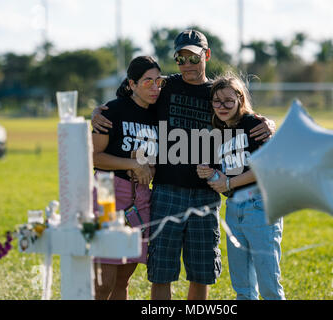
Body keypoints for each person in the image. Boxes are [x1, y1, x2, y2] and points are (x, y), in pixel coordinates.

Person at [92, 29, 276, 300]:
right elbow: (134, 92)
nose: (187, 64)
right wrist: (97, 111)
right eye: (181, 58)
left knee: (201, 273)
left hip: (205, 194)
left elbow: (241, 112)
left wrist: (267, 122)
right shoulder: (165, 87)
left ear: (207, 55)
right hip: (165, 191)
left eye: (194, 57)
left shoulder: (215, 93)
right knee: (161, 271)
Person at [196, 73, 285, 300]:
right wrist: (209, 172)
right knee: (243, 288)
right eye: (217, 101)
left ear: (240, 100)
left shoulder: (255, 125)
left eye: (228, 100)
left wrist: (228, 182)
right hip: (234, 209)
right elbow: (221, 175)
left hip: (260, 207)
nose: (222, 106)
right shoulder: (217, 133)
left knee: (269, 286)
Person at [92, 56, 165, 300]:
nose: (155, 87)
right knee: (104, 282)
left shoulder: (159, 115)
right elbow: (94, 157)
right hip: (106, 192)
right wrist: (132, 164)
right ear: (132, 84)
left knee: (124, 278)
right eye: (147, 82)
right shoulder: (112, 110)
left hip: (141, 196)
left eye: (158, 81)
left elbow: (155, 164)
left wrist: (147, 169)